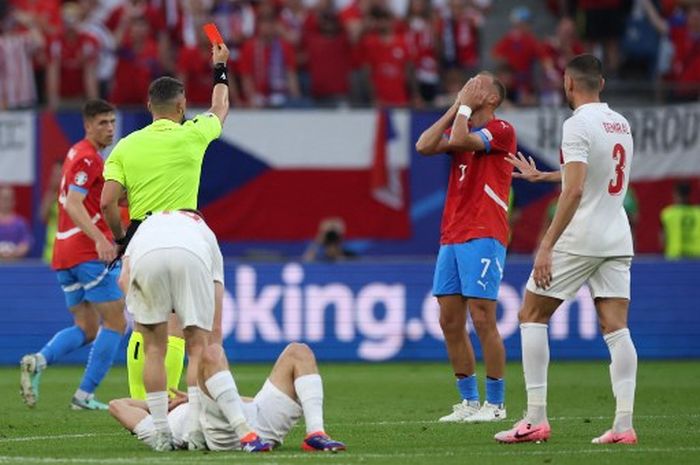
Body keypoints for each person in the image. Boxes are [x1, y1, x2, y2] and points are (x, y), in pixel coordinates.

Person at [496, 54, 638, 445]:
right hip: (616, 234)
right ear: (602, 84)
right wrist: (547, 175)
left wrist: (546, 245)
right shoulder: (620, 123)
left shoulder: (576, 124)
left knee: (531, 314)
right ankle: (623, 426)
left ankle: (535, 419)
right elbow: (597, 171)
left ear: (568, 84)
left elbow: (575, 190)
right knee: (616, 327)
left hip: (582, 235)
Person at [100, 42, 232, 449]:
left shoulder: (125, 146)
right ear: (181, 107)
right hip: (189, 237)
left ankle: (156, 424)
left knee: (150, 336)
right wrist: (220, 69)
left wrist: (122, 238)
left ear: (148, 105)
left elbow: (107, 201)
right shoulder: (192, 133)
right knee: (197, 337)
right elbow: (220, 108)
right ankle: (193, 419)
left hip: (143, 241)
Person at [117, 210, 268, 452]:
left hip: (147, 258)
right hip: (191, 257)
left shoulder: (146, 225)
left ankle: (161, 433)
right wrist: (213, 359)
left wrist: (143, 312)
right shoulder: (204, 232)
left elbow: (123, 279)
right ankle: (195, 431)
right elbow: (216, 324)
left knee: (153, 348)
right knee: (197, 347)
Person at [415, 72, 516, 423]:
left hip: (484, 231)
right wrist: (456, 106)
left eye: (478, 84)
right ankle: (469, 402)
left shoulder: (501, 130)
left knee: (483, 317)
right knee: (449, 321)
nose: (470, 85)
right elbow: (424, 145)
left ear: (492, 98)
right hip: (452, 234)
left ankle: (496, 405)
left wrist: (463, 109)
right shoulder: (462, 127)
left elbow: (460, 136)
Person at [20, 99, 126, 410]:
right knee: (117, 322)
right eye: (102, 123)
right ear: (87, 125)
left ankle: (38, 360)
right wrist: (100, 240)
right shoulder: (89, 159)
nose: (109, 128)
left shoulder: (75, 152)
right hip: (85, 251)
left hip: (64, 253)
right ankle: (84, 396)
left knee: (87, 327)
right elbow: (73, 203)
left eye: (111, 122)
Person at [109, 342, 346, 452]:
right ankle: (246, 436)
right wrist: (163, 406)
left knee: (298, 351)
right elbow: (117, 405)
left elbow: (251, 401)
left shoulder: (178, 414)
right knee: (210, 353)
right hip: (224, 434)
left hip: (256, 422)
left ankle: (316, 433)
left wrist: (190, 400)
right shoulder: (162, 430)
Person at [660, 182, 700, 259]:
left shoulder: (668, 214)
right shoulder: (698, 213)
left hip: (675, 260)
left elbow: (662, 240)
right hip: (697, 259)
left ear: (675, 194)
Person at [0, 186, 32, 260]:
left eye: (8, 199)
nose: (6, 202)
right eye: (3, 199)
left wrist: (13, 253)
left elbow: (26, 243)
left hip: (15, 265)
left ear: (14, 201)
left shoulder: (21, 223)